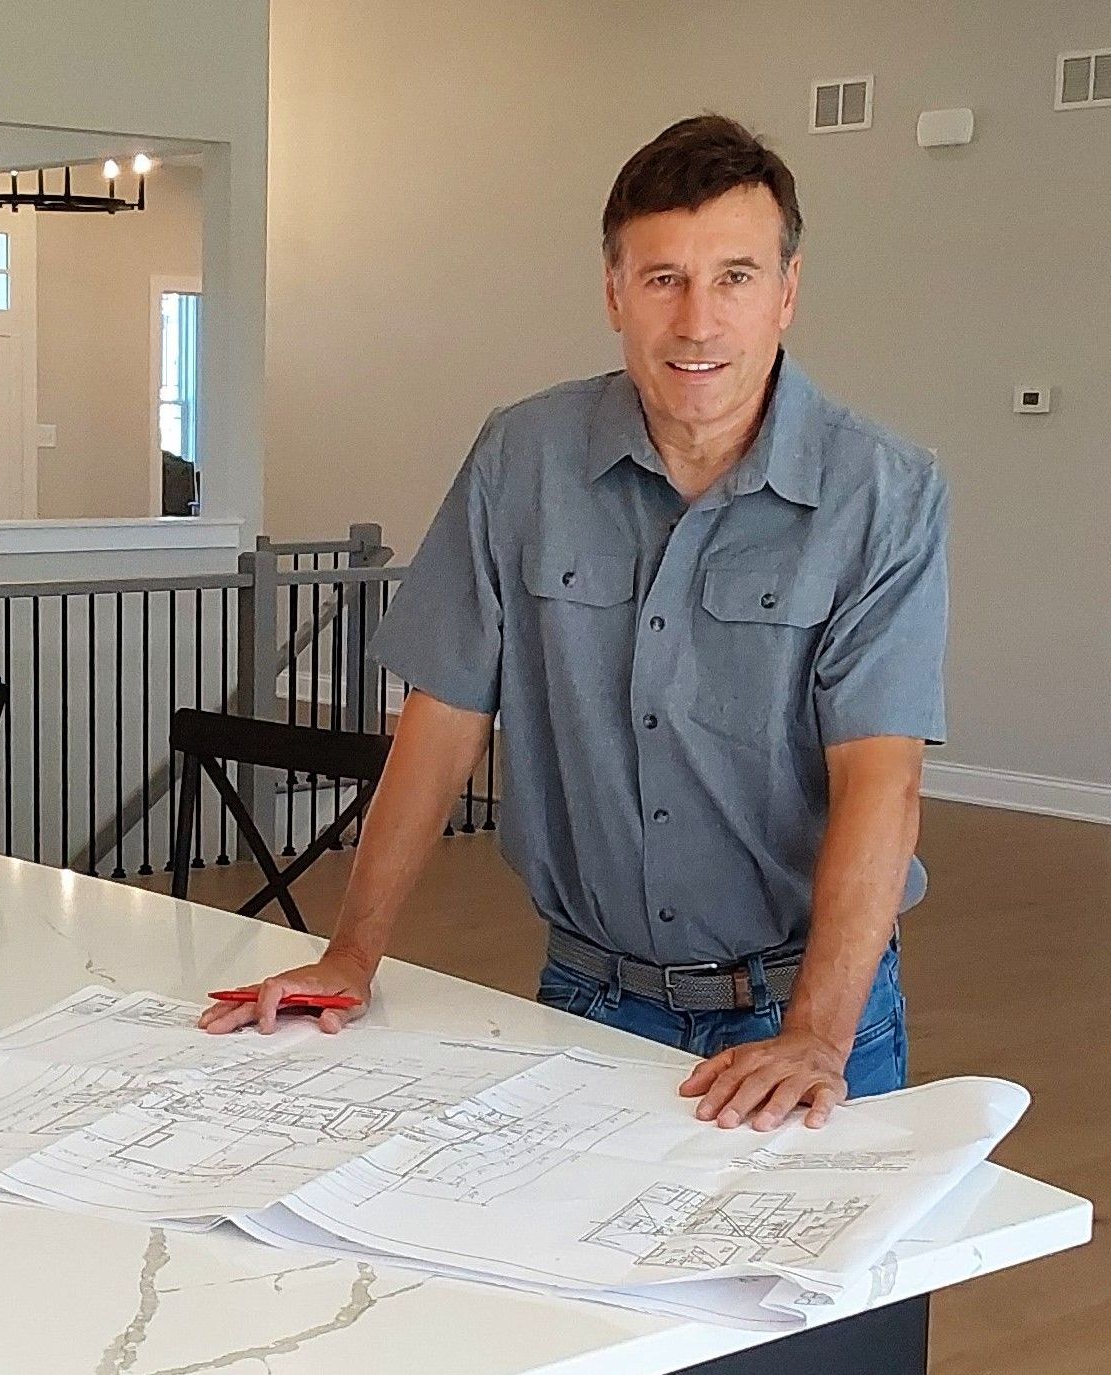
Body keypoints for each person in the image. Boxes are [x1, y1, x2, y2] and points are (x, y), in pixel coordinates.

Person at [199, 114, 949, 1133]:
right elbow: (442, 721)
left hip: (806, 1015)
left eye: (733, 276)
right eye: (662, 279)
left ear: (786, 292)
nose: (697, 321)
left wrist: (815, 1031)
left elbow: (881, 777)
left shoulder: (883, 493)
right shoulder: (523, 458)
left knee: (814, 1293)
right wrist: (350, 955)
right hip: (589, 1000)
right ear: (613, 293)